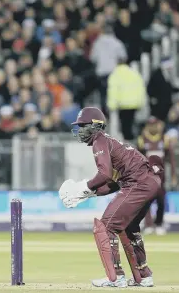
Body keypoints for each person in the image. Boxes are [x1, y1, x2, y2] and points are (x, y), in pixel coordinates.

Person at [59, 107, 161, 288]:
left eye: (83, 126)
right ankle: (144, 276)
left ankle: (116, 278)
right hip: (149, 182)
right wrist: (91, 193)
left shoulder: (99, 140)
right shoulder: (108, 141)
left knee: (106, 226)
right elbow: (114, 182)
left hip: (139, 184)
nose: (80, 130)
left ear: (95, 126)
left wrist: (84, 187)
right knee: (129, 227)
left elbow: (104, 174)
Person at [137, 117, 176, 235]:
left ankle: (159, 223)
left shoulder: (165, 139)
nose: (153, 127)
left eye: (155, 125)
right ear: (147, 126)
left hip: (161, 178)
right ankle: (148, 224)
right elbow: (137, 159)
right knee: (146, 201)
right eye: (150, 125)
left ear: (159, 125)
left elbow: (172, 160)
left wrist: (174, 175)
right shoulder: (142, 139)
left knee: (161, 201)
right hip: (147, 178)